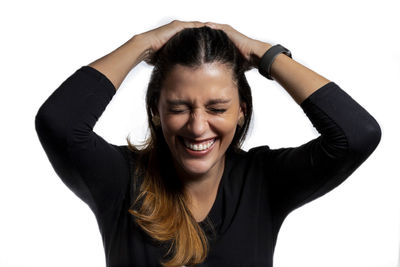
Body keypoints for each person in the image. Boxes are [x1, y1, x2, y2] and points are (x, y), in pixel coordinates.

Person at [35, 20, 381, 267]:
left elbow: (356, 135)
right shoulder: (121, 180)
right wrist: (144, 43)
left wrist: (266, 55)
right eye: (179, 108)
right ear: (155, 110)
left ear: (241, 111)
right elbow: (59, 123)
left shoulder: (263, 181)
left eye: (217, 108)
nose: (198, 126)